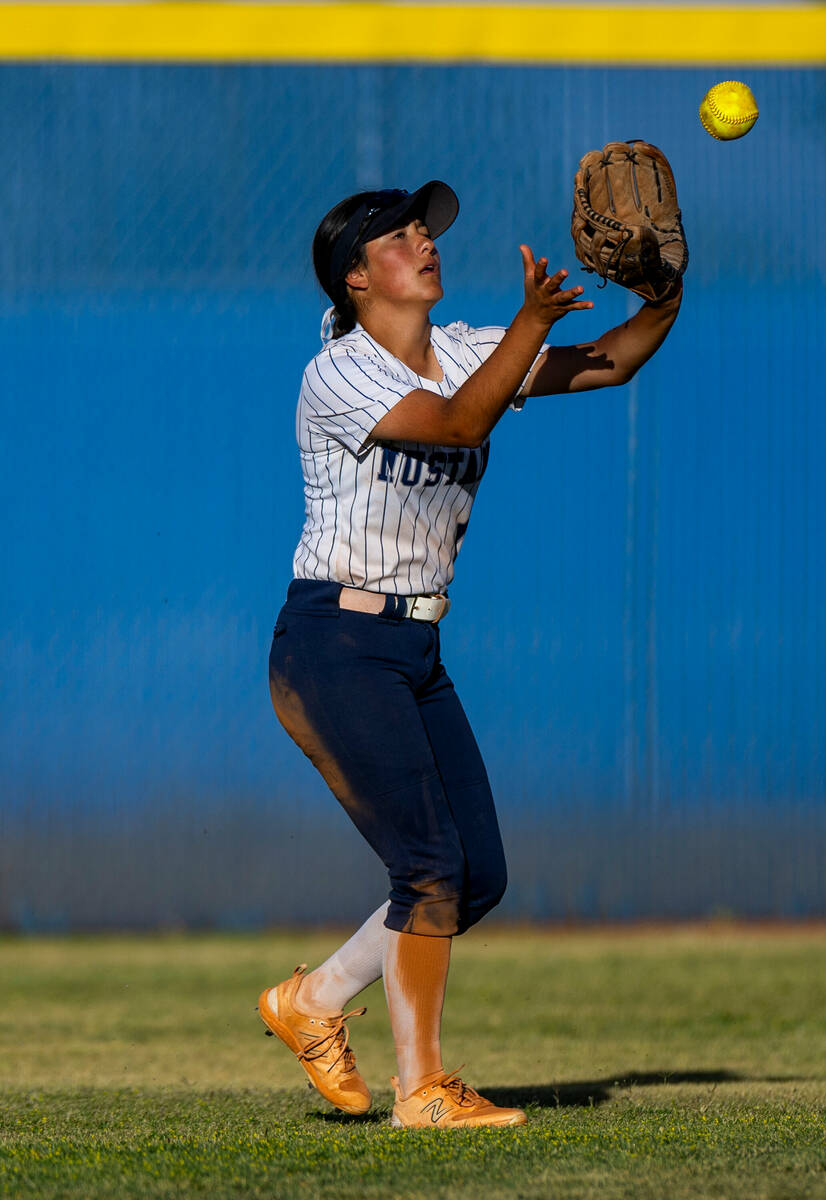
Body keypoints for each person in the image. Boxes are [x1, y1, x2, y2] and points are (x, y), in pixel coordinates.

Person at [260, 181, 681, 1129]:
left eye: (425, 228)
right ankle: (423, 1092)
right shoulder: (338, 371)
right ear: (358, 279)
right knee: (429, 870)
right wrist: (529, 322)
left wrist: (664, 297)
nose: (422, 241)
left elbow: (610, 362)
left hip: (412, 643)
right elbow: (456, 424)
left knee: (472, 876)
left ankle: (311, 1002)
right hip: (335, 642)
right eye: (399, 236)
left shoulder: (462, 349)